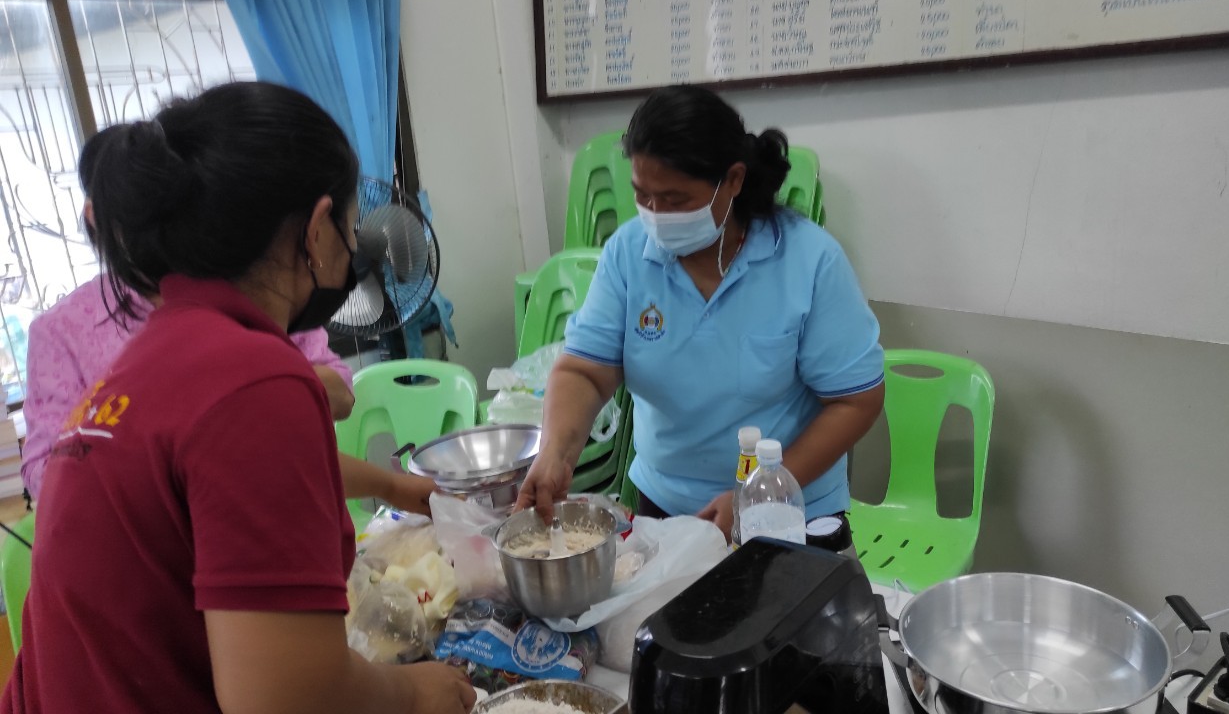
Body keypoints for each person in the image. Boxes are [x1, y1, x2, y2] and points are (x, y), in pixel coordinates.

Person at [2, 82, 475, 714]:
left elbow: (228, 487)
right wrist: (414, 693)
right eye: (350, 228)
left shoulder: (158, 356)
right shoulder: (253, 377)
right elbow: (284, 696)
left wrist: (390, 488)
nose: (357, 248)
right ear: (315, 231)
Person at [516, 85, 885, 543]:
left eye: (674, 200)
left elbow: (855, 401)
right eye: (642, 196)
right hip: (668, 508)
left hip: (789, 509)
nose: (654, 214)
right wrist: (556, 452)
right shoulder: (628, 256)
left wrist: (758, 495)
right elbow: (585, 372)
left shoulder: (808, 261)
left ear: (732, 180)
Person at [20, 124, 436, 516]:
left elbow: (281, 450)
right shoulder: (71, 333)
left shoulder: (249, 289)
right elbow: (52, 479)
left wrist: (391, 487)